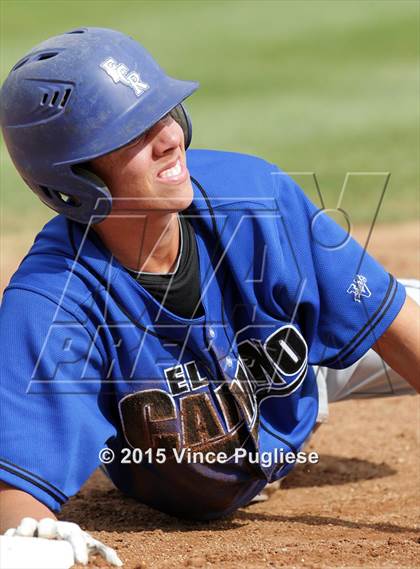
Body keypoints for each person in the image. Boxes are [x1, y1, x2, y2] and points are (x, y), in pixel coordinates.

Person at [0, 27, 418, 567]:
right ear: (74, 179)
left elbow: (394, 323)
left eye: (166, 113)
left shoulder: (257, 195)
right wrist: (26, 539)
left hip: (298, 367)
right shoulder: (52, 302)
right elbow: (14, 488)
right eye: (133, 131)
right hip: (185, 440)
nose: (170, 137)